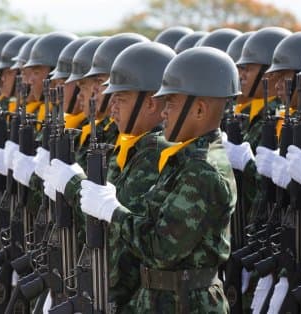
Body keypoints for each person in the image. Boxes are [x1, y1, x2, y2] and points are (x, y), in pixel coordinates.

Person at [80, 47, 239, 313]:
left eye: (172, 104)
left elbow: (161, 249)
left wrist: (112, 211)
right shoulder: (184, 159)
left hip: (187, 304)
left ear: (199, 109)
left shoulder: (203, 171)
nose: (163, 113)